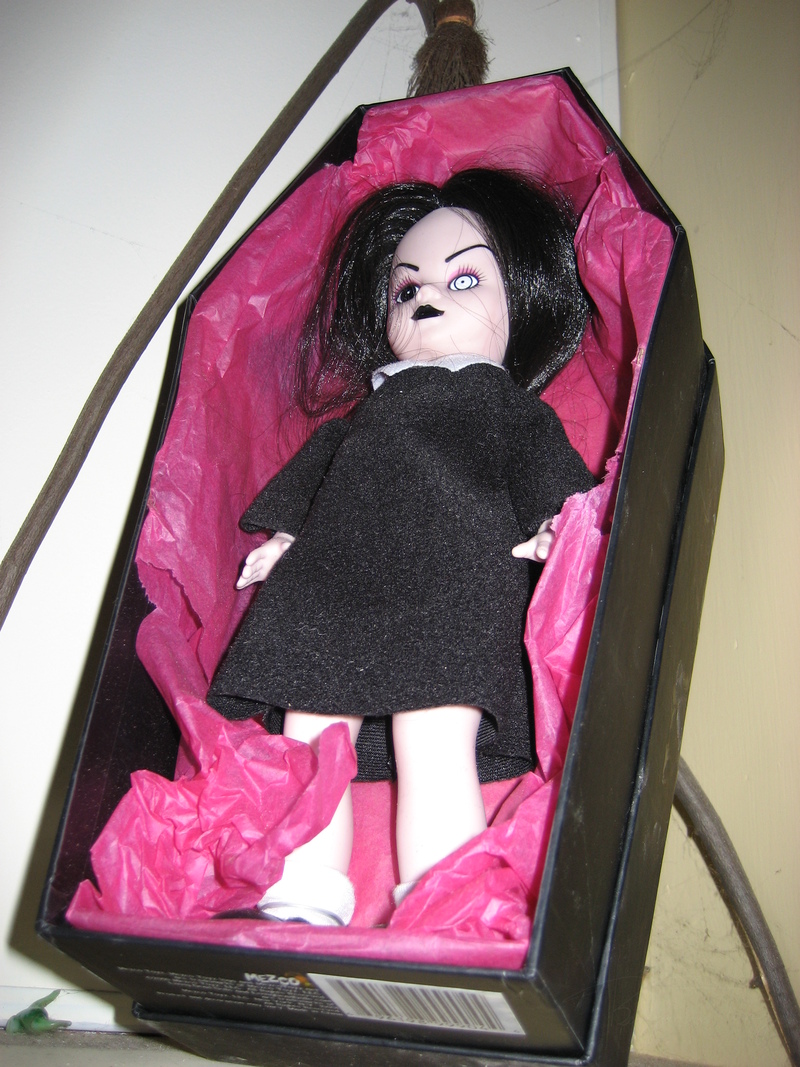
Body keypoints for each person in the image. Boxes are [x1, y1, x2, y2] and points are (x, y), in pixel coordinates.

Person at [207, 169, 595, 925]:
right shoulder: (363, 417)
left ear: (522, 298)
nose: (426, 298)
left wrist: (560, 528)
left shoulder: (507, 410)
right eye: (406, 286)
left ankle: (443, 905)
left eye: (464, 279)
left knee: (435, 735)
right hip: (335, 579)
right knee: (312, 730)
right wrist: (287, 539)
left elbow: (553, 485)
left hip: (454, 584)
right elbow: (319, 480)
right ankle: (302, 889)